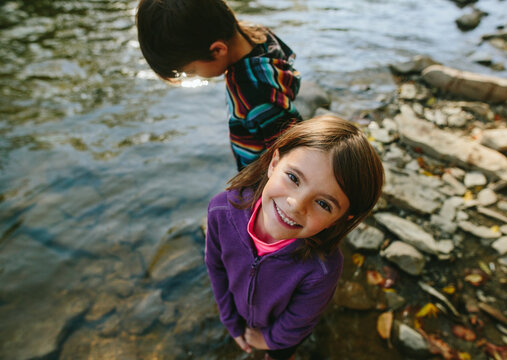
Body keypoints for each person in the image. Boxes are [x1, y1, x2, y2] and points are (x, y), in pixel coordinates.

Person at [205, 115, 385, 359]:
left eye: (323, 203)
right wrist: (230, 321)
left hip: (283, 337)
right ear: (274, 162)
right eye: (293, 178)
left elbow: (299, 320)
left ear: (345, 218)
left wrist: (269, 340)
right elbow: (215, 267)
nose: (296, 204)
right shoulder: (221, 210)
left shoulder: (322, 268)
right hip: (238, 313)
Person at [136, 0, 302, 170]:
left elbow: (289, 152)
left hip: (261, 177)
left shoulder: (252, 93)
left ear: (218, 50)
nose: (193, 75)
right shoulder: (257, 34)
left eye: (191, 70)